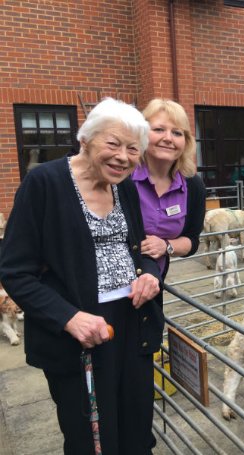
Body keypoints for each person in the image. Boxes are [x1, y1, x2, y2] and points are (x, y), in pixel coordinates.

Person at [0, 98, 163, 454]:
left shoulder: (126, 188)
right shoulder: (44, 183)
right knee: (89, 438)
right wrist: (67, 317)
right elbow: (15, 269)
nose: (123, 156)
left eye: (133, 149)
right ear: (85, 139)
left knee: (136, 430)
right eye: (113, 144)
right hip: (79, 336)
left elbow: (141, 249)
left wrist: (150, 275)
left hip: (132, 326)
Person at [132, 99, 205, 277]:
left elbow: (192, 240)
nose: (168, 138)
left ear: (186, 142)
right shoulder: (122, 177)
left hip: (153, 284)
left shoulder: (192, 185)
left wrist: (166, 246)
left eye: (177, 133)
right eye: (159, 129)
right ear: (142, 134)